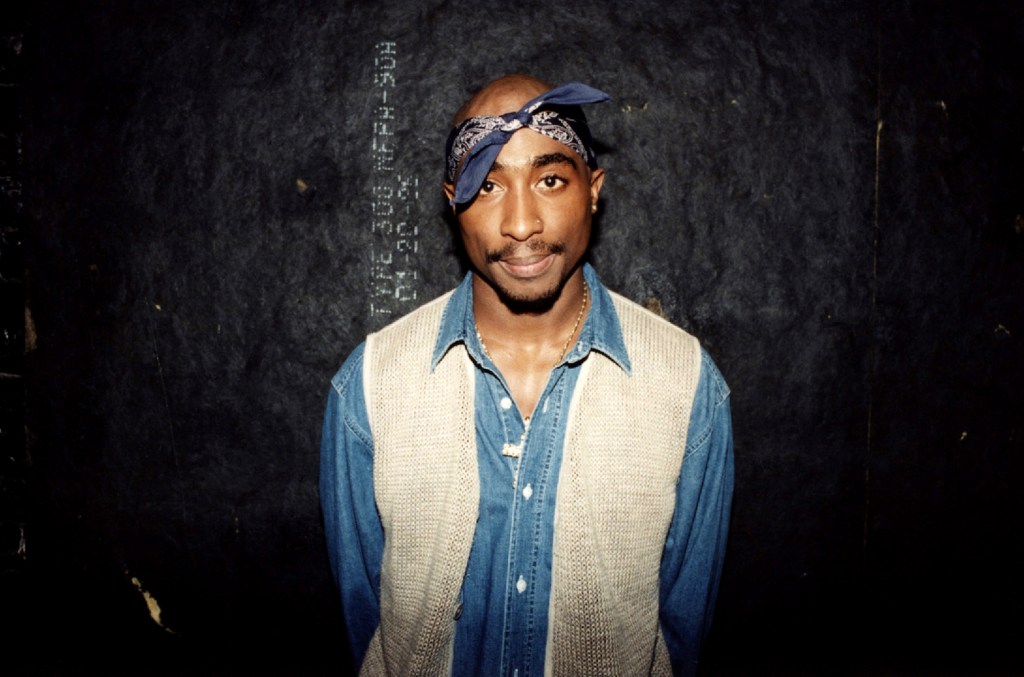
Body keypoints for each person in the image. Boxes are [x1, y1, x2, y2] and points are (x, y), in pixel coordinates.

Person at [320, 73, 734, 677]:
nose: (520, 224)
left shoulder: (686, 386)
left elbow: (682, 636)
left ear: (593, 191)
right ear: (453, 203)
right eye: (488, 185)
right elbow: (368, 631)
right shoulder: (370, 387)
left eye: (549, 180)